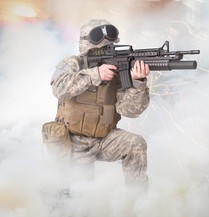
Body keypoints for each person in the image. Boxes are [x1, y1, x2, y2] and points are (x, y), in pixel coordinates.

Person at [48, 19, 150, 187]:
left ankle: (138, 203)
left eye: (108, 47)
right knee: (80, 195)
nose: (104, 52)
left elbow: (130, 111)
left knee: (136, 144)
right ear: (86, 46)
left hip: (105, 139)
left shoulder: (118, 69)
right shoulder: (72, 64)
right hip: (74, 141)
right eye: (99, 49)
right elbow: (59, 89)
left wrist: (137, 83)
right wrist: (95, 74)